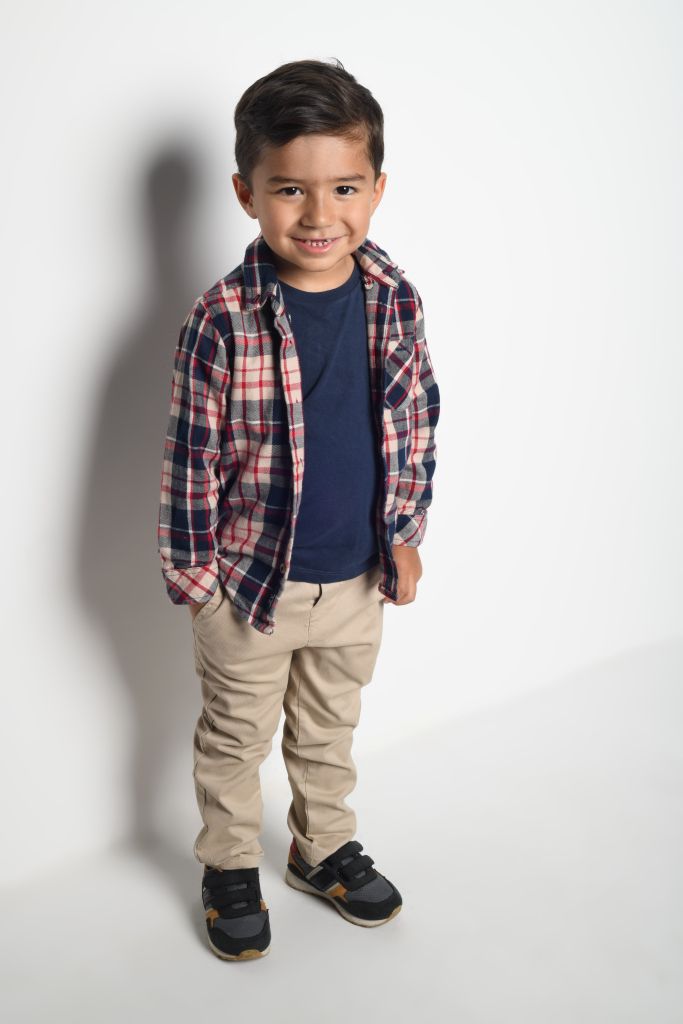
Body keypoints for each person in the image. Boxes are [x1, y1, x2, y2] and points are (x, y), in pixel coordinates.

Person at [157, 57, 440, 961]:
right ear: (246, 193)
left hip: (355, 580)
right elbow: (190, 457)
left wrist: (404, 533)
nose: (319, 215)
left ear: (377, 189)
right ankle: (229, 863)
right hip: (249, 590)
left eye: (344, 188)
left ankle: (320, 849)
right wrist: (197, 582)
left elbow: (414, 419)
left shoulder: (393, 298)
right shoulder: (222, 317)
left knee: (328, 731)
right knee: (235, 739)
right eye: (290, 190)